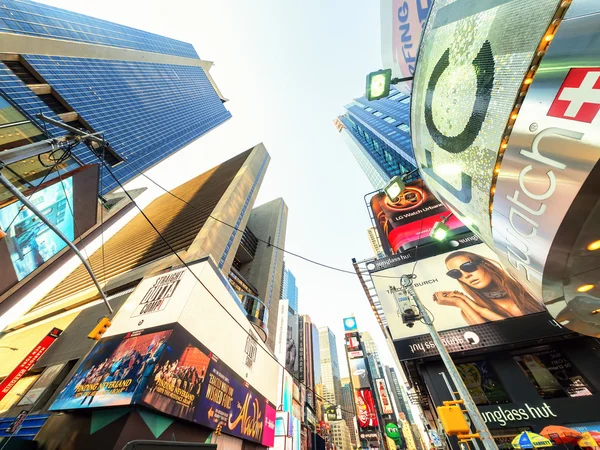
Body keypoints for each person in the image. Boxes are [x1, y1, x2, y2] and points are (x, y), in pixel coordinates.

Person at [432, 251, 544, 325]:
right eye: (456, 274)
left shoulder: (526, 287)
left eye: (468, 266)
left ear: (485, 264)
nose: (466, 275)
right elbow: (499, 339)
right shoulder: (469, 311)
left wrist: (482, 311)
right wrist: (461, 303)